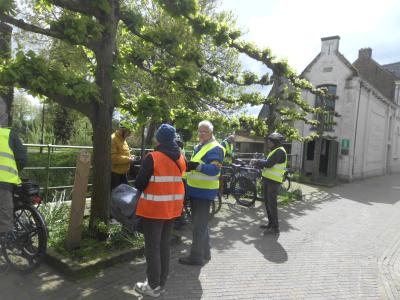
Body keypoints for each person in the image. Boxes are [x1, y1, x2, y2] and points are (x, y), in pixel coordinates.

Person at [134, 124, 186, 297]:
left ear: (159, 138)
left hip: (154, 210)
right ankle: (161, 283)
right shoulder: (181, 157)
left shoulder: (153, 157)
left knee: (152, 247)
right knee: (164, 245)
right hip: (172, 209)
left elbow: (140, 184)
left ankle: (153, 286)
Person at [178, 120, 224, 266]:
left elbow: (214, 170)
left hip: (205, 192)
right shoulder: (200, 146)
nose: (201, 134)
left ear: (211, 133)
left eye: (204, 131)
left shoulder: (216, 148)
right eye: (200, 131)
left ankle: (196, 256)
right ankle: (206, 251)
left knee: (199, 226)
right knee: (201, 224)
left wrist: (197, 166)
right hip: (196, 190)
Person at [255, 132, 287, 234]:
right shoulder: (273, 151)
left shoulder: (279, 152)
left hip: (273, 182)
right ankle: (270, 224)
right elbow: (267, 163)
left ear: (275, 142)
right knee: (268, 203)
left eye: (269, 141)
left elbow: (268, 164)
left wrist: (257, 162)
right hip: (268, 180)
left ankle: (275, 228)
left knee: (272, 205)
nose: (268, 143)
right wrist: (260, 163)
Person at [0, 128, 27, 240]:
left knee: (4, 212)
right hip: (10, 179)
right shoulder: (8, 133)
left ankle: (6, 237)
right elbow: (22, 159)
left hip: (3, 182)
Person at [111, 122, 134, 190]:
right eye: (128, 132)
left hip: (123, 173)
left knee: (124, 195)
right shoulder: (113, 139)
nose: (129, 135)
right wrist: (129, 159)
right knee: (116, 197)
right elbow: (113, 158)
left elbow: (122, 153)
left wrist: (130, 156)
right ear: (122, 130)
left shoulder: (123, 139)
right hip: (115, 174)